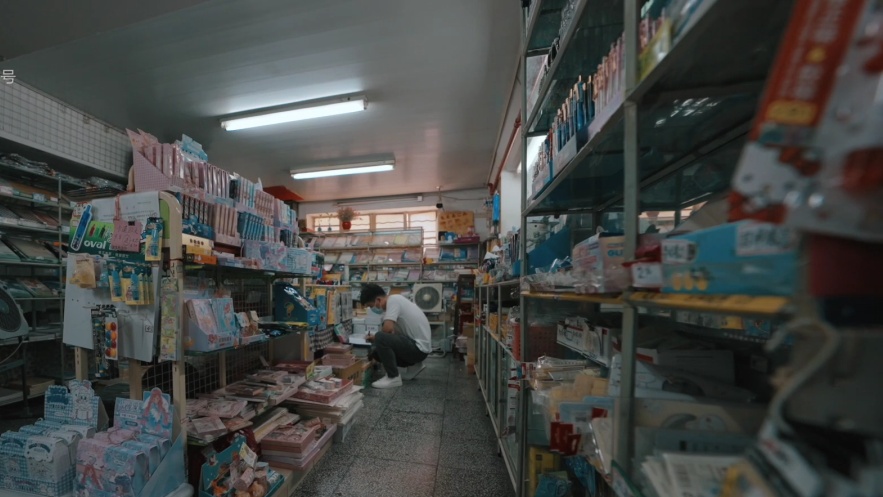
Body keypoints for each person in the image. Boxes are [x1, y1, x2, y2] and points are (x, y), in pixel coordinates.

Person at [359, 283, 431, 388]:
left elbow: (387, 329)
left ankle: (393, 377)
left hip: (418, 349)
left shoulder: (393, 300)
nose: (372, 309)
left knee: (380, 336)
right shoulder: (396, 301)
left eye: (370, 306)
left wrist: (376, 338)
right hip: (418, 348)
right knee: (377, 353)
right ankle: (414, 366)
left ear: (378, 300)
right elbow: (392, 333)